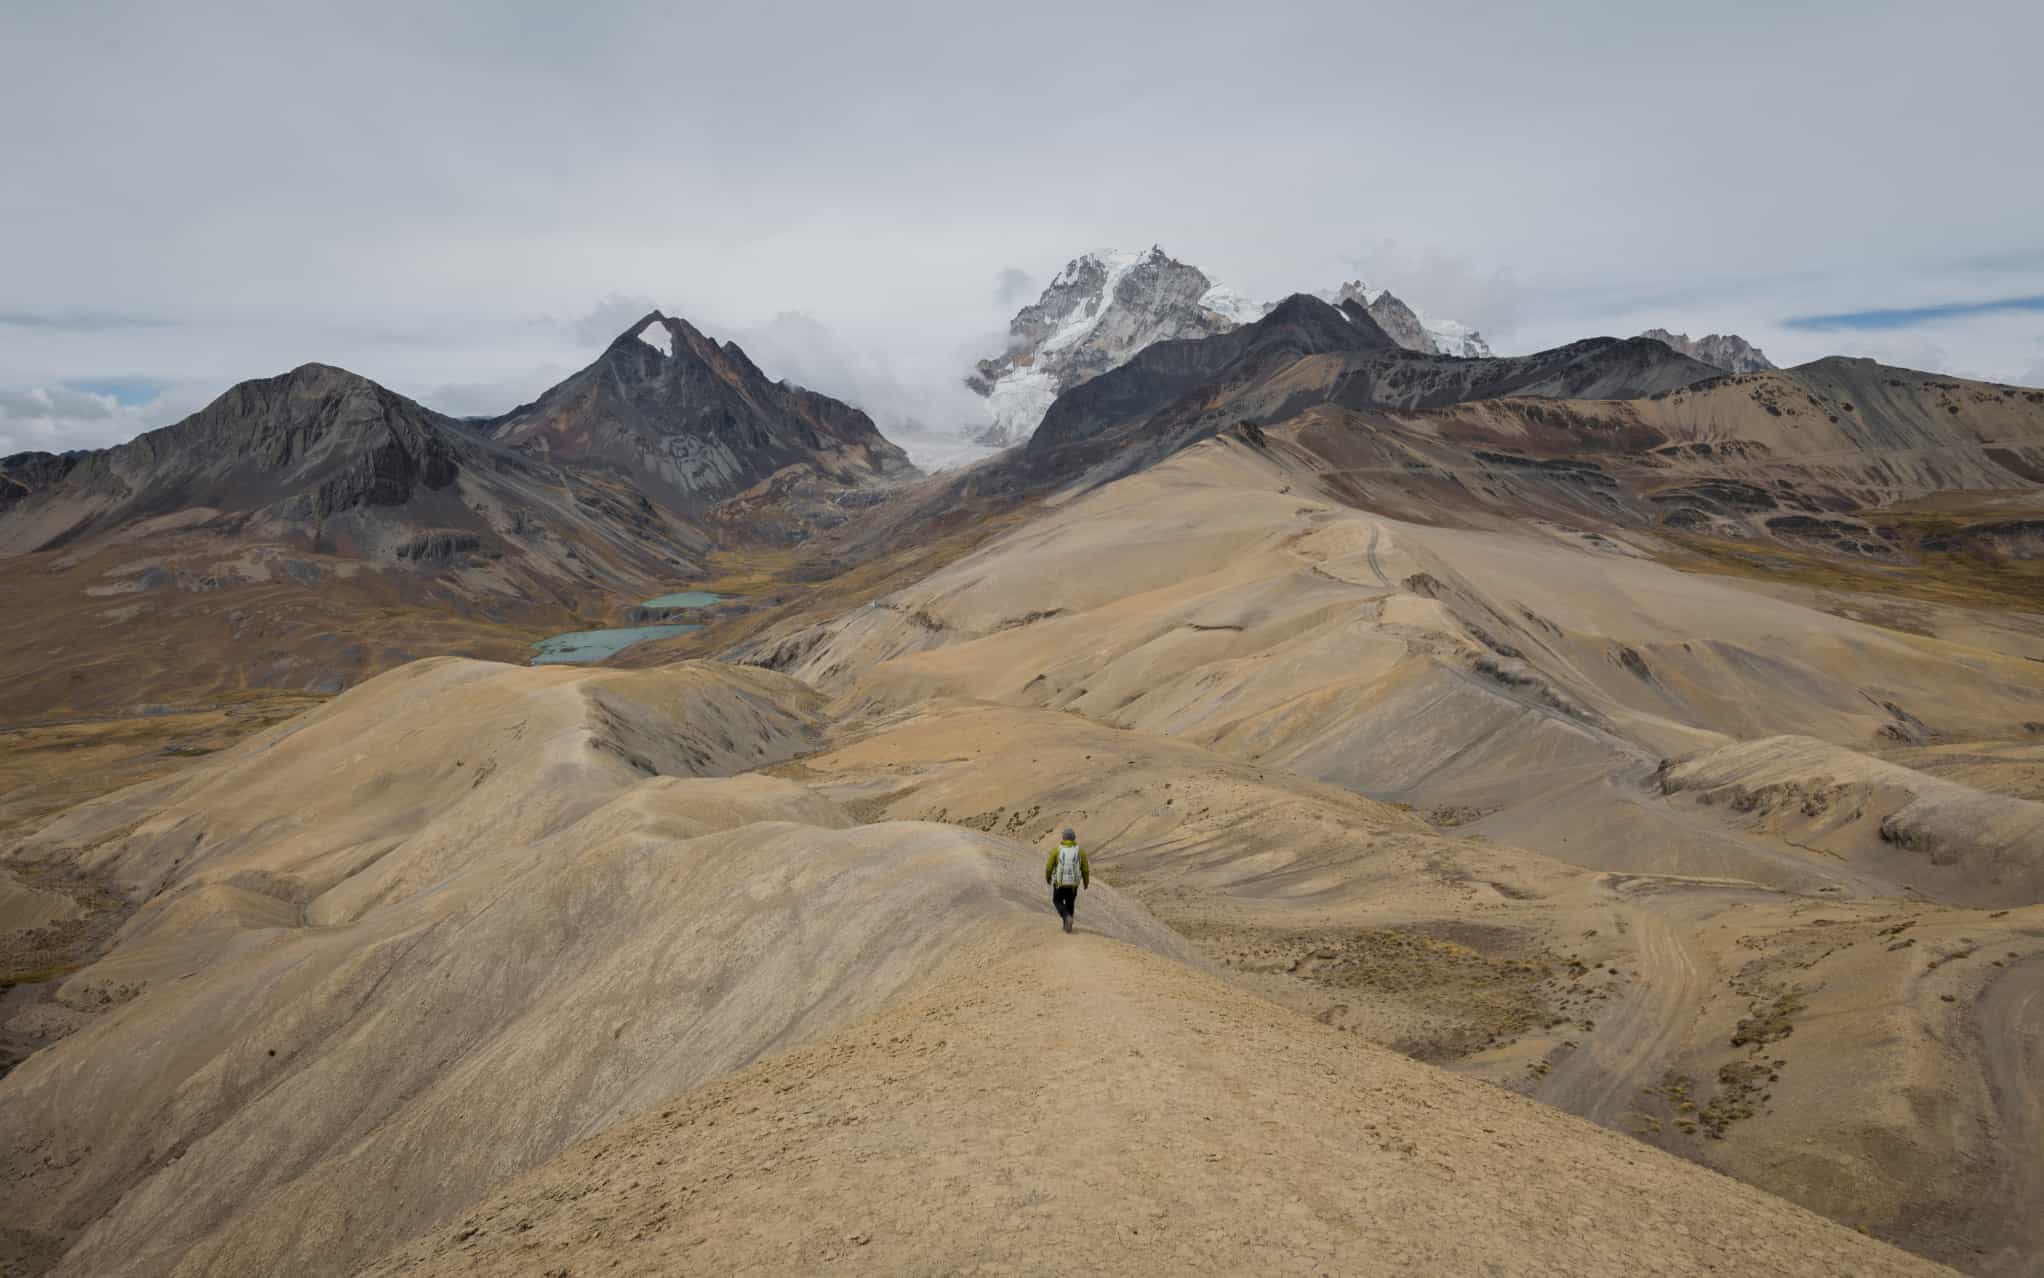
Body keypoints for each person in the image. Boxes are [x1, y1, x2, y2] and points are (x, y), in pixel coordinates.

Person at [1044, 828, 1090, 933]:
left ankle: (1066, 917)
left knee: (1057, 900)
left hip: (1059, 883)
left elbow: (1049, 866)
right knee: (1070, 903)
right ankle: (1068, 926)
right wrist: (1086, 882)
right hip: (1073, 885)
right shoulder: (1079, 851)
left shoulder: (1057, 850)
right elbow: (1085, 869)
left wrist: (1048, 877)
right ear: (1074, 838)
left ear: (1063, 838)